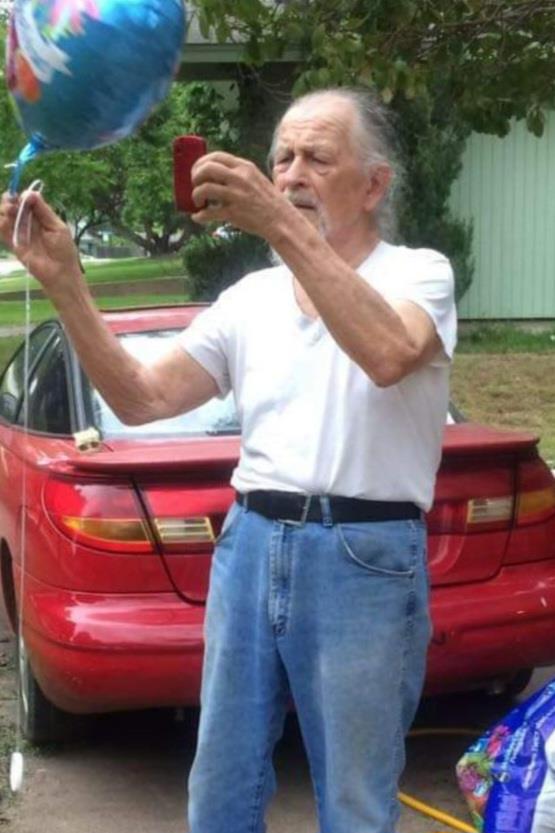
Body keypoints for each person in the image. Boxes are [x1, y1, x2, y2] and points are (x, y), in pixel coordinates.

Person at [0, 86, 456, 833]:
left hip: (364, 554)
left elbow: (387, 353)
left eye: (317, 158)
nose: (292, 174)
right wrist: (65, 281)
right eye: (282, 158)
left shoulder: (417, 274)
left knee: (354, 800)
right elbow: (141, 397)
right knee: (219, 791)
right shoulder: (250, 298)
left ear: (374, 185)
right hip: (249, 544)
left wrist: (277, 222)